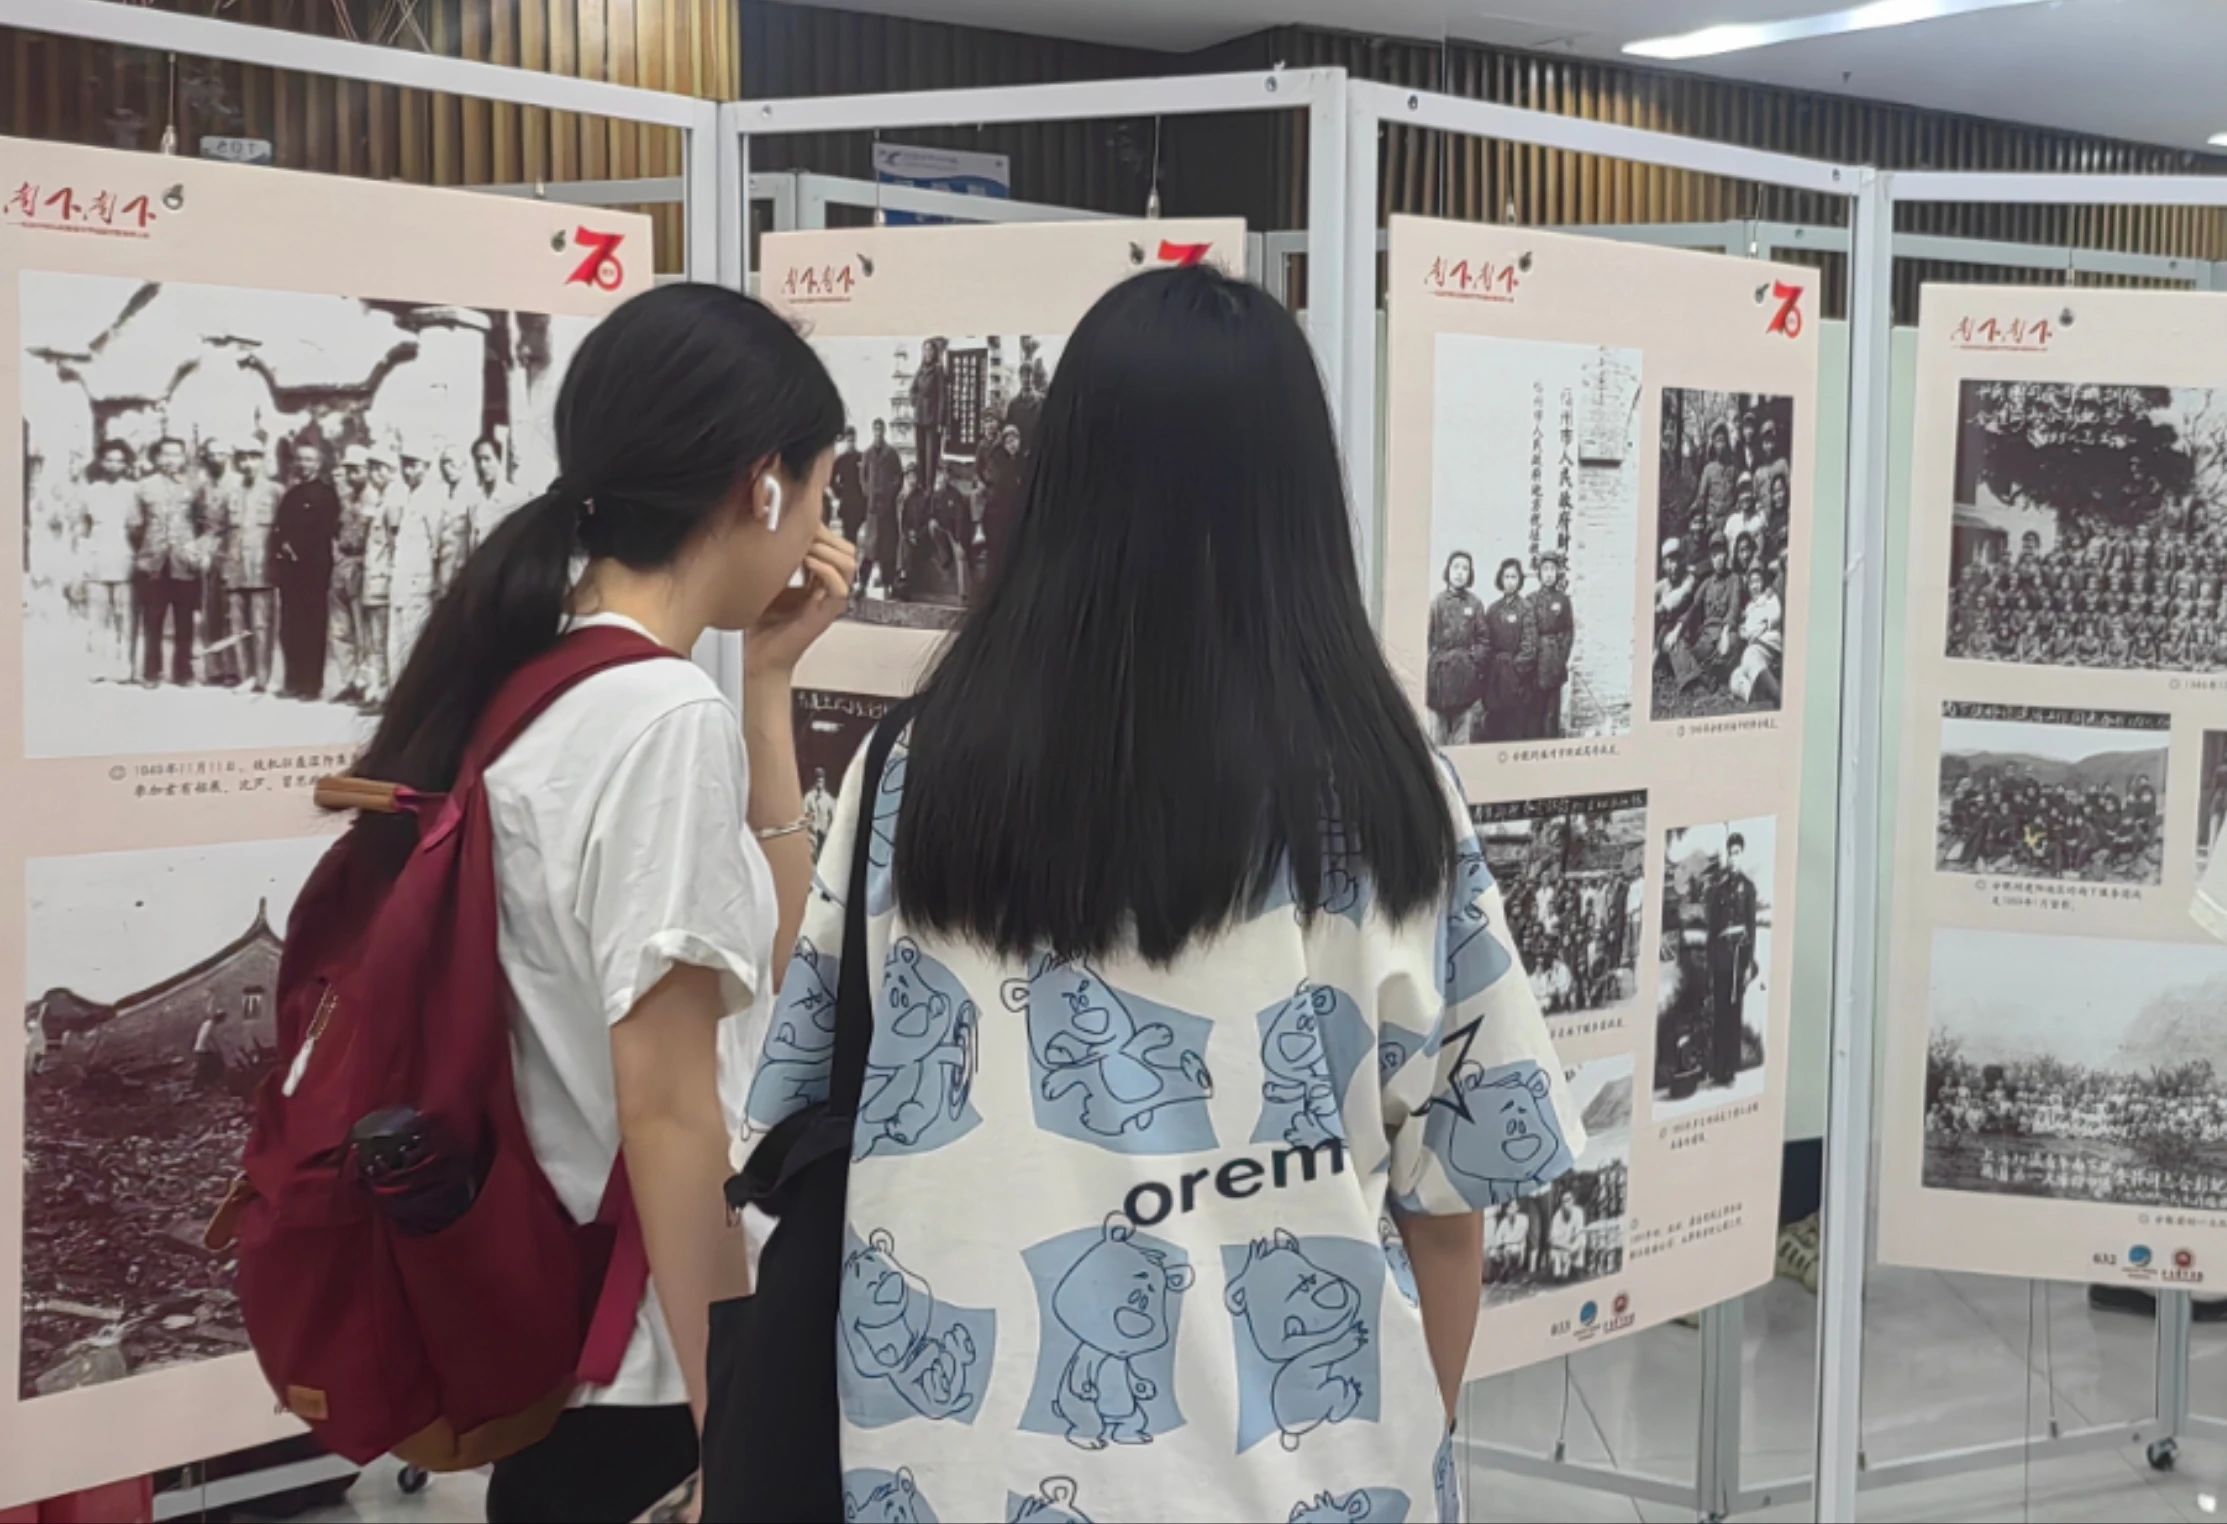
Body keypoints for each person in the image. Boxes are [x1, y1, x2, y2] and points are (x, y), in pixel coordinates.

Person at [750, 266, 1577, 1519]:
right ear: (1301, 500)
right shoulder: (1385, 793)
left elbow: (811, 1091)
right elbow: (1451, 1202)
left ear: (1057, 480)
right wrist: (1404, 1450)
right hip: (1302, 1481)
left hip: (961, 1476)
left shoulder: (915, 768)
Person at [338, 284, 851, 1524]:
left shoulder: (544, 672)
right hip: (650, 1366)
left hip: (573, 1335)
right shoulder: (660, 718)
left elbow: (779, 974)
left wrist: (767, 683)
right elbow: (669, 1108)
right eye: (820, 493)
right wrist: (733, 1424)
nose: (820, 530)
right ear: (762, 486)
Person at [131, 437, 210, 687]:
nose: (170, 460)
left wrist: (195, 550)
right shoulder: (144, 487)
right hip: (153, 562)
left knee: (184, 620)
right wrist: (146, 550)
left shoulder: (195, 486)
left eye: (176, 454)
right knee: (152, 619)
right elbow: (135, 526)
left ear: (184, 458)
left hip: (184, 562)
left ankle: (183, 672)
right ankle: (151, 672)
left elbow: (204, 522)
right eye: (165, 454)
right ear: (156, 458)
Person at [271, 441, 342, 701]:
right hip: (291, 572)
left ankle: (311, 685)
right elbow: (279, 528)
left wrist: (298, 547)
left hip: (314, 570)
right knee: (290, 626)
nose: (304, 465)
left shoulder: (327, 494)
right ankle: (292, 681)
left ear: (319, 464)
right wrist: (283, 545)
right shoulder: (291, 494)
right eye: (300, 459)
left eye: (309, 460)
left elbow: (325, 530)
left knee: (312, 626)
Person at [221, 442, 283, 693]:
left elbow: (282, 531)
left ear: (262, 459)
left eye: (253, 458)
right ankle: (244, 674)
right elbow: (221, 531)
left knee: (261, 624)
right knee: (237, 624)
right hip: (235, 567)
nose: (248, 464)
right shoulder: (231, 493)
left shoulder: (276, 491)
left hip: (262, 567)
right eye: (243, 459)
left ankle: (263, 677)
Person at [79, 441, 140, 682]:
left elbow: (138, 527)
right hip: (98, 555)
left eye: (120, 461)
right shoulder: (91, 491)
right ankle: (98, 665)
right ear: (101, 462)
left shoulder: (134, 490)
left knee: (125, 615)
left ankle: (125, 665)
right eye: (109, 460)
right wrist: (84, 558)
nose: (114, 465)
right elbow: (84, 527)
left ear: (126, 464)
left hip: (125, 555)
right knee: (97, 614)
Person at [387, 445, 445, 681]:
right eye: (405, 464)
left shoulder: (433, 498)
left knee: (413, 642)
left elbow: (437, 544)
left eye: (414, 465)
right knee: (397, 640)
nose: (408, 471)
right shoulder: (408, 496)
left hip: (419, 582)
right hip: (401, 580)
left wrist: (432, 581)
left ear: (427, 466)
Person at [1706, 832, 1760, 1088]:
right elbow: (1712, 930)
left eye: (1737, 853)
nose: (1733, 858)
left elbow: (1752, 928)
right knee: (1720, 1012)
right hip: (1721, 958)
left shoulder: (1748, 889)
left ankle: (1730, 1069)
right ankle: (1718, 1068)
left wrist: (1748, 964)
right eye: (1730, 853)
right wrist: (1710, 962)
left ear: (1742, 855)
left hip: (1739, 957)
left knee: (1733, 1011)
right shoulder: (1718, 890)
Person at [358, 444, 402, 708]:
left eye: (378, 468)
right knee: (375, 640)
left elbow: (394, 543)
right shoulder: (379, 498)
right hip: (373, 579)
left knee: (383, 641)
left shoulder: (394, 500)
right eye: (372, 468)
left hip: (383, 581)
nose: (373, 473)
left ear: (390, 470)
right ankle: (377, 690)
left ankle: (385, 693)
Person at [1427, 552, 1488, 745]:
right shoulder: (1437, 603)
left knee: (1463, 738)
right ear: (1448, 571)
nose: (1460, 573)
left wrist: (1472, 662)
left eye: (1465, 568)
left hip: (1464, 677)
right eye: (1456, 567)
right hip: (1440, 678)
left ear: (1470, 574)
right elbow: (1427, 638)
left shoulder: (1475, 604)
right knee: (1437, 738)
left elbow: (1484, 639)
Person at [329, 444, 371, 703]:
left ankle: (364, 683)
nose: (352, 475)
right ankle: (348, 681)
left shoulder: (373, 498)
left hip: (361, 564)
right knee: (340, 628)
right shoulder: (345, 499)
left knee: (362, 630)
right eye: (349, 470)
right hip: (342, 562)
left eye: (357, 470)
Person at [1481, 556, 1538, 743]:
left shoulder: (1526, 608)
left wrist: (1514, 671)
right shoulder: (1493, 609)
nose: (1510, 581)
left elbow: (1530, 646)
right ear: (1500, 579)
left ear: (1519, 580)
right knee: (1494, 728)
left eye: (1514, 577)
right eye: (1506, 577)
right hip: (1494, 677)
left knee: (1514, 728)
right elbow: (1486, 642)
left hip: (1516, 680)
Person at [1528, 549, 1575, 738]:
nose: (1549, 574)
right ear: (1539, 573)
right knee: (1535, 710)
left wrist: (1561, 656)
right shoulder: (1531, 599)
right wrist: (1532, 655)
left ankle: (1551, 740)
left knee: (1552, 711)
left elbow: (1568, 631)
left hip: (1554, 660)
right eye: (1545, 569)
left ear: (1557, 573)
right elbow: (1528, 631)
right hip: (1536, 660)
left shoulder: (1563, 600)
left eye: (1552, 569)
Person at [859, 420, 904, 599]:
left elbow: (898, 477)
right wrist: (868, 492)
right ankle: (862, 583)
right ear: (873, 432)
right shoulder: (867, 454)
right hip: (872, 509)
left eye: (880, 430)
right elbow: (863, 477)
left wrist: (889, 492)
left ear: (884, 431)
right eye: (875, 430)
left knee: (887, 548)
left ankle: (887, 585)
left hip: (887, 508)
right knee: (869, 548)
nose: (878, 433)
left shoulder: (891, 454)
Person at [1730, 565, 1783, 706]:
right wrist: (1744, 632)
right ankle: (1755, 694)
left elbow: (1775, 616)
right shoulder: (1749, 607)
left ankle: (1776, 693)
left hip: (1768, 642)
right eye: (1751, 583)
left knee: (1749, 655)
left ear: (1763, 582)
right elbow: (1747, 630)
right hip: (1754, 646)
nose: (1754, 586)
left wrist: (1762, 627)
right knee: (1735, 675)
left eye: (1758, 581)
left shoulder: (1770, 597)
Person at [830, 427, 866, 547]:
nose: (851, 443)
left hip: (860, 502)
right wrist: (839, 493)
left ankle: (855, 555)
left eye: (852, 440)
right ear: (846, 441)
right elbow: (831, 479)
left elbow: (868, 477)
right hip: (846, 502)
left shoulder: (862, 458)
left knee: (858, 535)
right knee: (847, 535)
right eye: (849, 440)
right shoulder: (841, 460)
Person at [192, 1000, 229, 1090]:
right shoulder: (210, 1025)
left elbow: (213, 1039)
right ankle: (213, 1084)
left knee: (206, 1068)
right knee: (218, 1064)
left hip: (201, 1049)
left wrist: (217, 1048)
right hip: (203, 1050)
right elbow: (208, 1039)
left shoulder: (208, 1024)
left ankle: (208, 1084)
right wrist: (216, 1050)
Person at [803, 766, 837, 854]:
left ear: (824, 781)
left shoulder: (828, 799)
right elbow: (805, 815)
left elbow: (833, 819)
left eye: (821, 780)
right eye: (817, 780)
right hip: (812, 837)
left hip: (825, 836)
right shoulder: (809, 797)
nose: (819, 783)